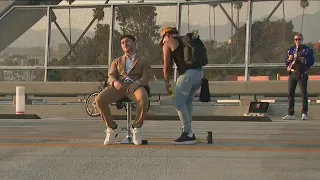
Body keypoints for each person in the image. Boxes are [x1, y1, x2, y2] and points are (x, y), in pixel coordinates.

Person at [95, 34, 151, 145]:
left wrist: (137, 83)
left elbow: (146, 77)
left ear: (134, 43)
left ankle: (136, 128)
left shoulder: (143, 60)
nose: (124, 44)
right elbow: (111, 76)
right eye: (122, 43)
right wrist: (115, 83)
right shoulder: (116, 61)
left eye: (127, 41)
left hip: (135, 87)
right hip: (119, 87)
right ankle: (112, 128)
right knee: (99, 99)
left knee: (144, 99)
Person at [160, 27, 206, 145]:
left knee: (179, 103)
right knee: (187, 102)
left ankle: (188, 134)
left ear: (167, 35)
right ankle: (189, 132)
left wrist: (167, 82)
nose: (163, 41)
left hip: (187, 75)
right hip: (199, 74)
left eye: (163, 38)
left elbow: (166, 66)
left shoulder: (169, 42)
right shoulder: (186, 40)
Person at [282, 33, 314, 120]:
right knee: (290, 93)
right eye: (296, 39)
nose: (297, 41)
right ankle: (291, 113)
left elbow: (311, 61)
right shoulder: (291, 50)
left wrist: (302, 59)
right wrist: (289, 60)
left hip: (302, 74)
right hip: (292, 73)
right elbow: (286, 61)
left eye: (299, 39)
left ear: (302, 40)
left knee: (303, 93)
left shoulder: (307, 50)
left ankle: (304, 113)